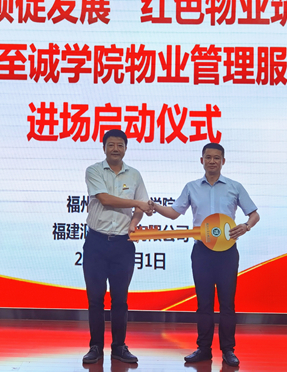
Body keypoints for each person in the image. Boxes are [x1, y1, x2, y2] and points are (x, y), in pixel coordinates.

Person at [149, 143, 260, 367]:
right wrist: (154, 206)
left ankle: (228, 350)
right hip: (202, 252)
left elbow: (254, 214)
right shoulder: (191, 187)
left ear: (223, 161)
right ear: (201, 160)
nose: (212, 161)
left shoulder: (235, 187)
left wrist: (246, 226)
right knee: (204, 303)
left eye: (216, 158)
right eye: (208, 157)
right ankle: (203, 348)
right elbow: (174, 213)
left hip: (227, 252)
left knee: (227, 303)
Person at [82, 128, 152, 364]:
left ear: (125, 148)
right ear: (104, 148)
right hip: (96, 243)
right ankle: (95, 347)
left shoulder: (134, 175)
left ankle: (119, 347)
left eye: (120, 145)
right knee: (95, 299)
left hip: (123, 244)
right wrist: (137, 203)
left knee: (120, 299)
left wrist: (133, 222)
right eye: (111, 145)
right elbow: (104, 199)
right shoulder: (93, 170)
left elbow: (141, 207)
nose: (115, 149)